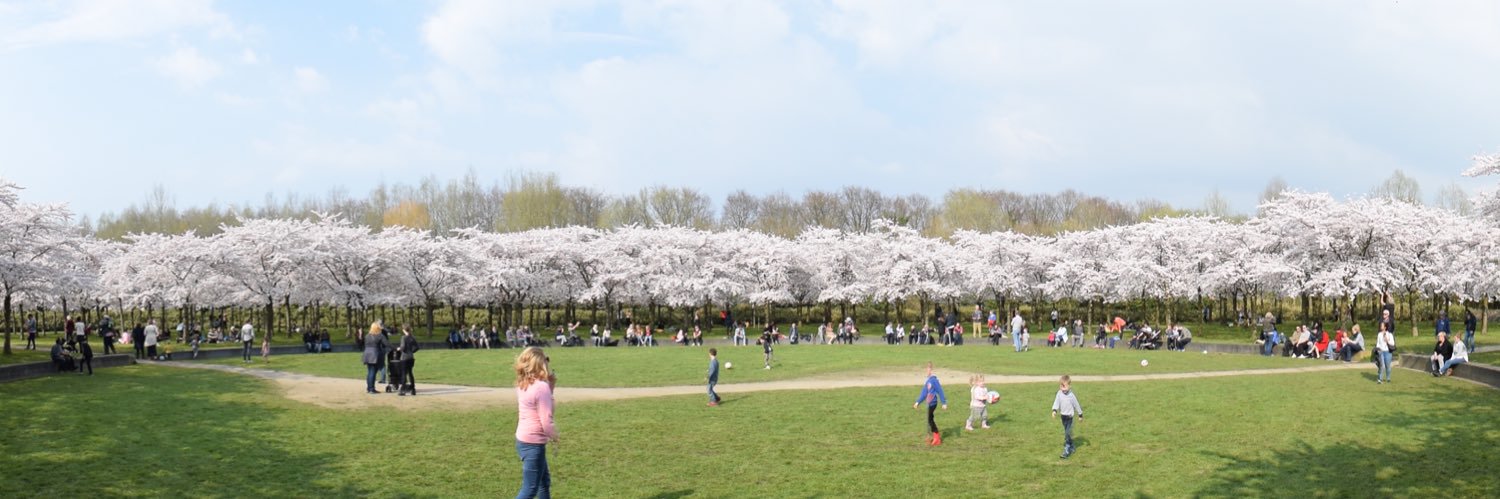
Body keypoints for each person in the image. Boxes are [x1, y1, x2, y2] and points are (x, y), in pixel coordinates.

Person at [514, 347, 558, 499]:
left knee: (543, 482)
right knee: (530, 489)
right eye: (545, 360)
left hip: (523, 441)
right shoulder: (541, 387)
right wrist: (554, 435)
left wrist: (550, 385)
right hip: (534, 443)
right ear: (539, 364)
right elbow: (546, 417)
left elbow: (540, 402)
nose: (547, 363)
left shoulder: (524, 383)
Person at [912, 362, 948, 446]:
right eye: (926, 369)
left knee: (929, 419)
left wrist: (944, 403)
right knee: (929, 419)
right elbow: (924, 393)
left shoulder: (934, 381)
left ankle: (937, 437)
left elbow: (940, 391)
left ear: (932, 370)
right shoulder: (928, 381)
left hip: (933, 403)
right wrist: (918, 402)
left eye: (928, 369)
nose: (927, 371)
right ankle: (934, 436)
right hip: (929, 403)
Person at [1051, 374, 1084, 459]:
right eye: (1061, 386)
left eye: (1064, 386)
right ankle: (1072, 446)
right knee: (1067, 433)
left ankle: (1066, 449)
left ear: (1069, 386)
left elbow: (1076, 405)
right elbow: (1056, 402)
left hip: (1070, 418)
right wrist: (1054, 410)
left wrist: (1080, 415)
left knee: (1067, 433)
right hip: (1063, 417)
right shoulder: (1059, 393)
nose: (1062, 388)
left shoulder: (1071, 395)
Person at [361, 322, 390, 395]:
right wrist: (395, 348)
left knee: (370, 371)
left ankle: (369, 387)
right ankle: (371, 388)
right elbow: (387, 344)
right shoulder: (380, 336)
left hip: (367, 353)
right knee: (373, 372)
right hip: (374, 354)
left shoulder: (367, 336)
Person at [398, 325, 419, 395]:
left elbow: (403, 347)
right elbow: (417, 347)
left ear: (404, 330)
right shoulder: (412, 337)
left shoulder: (403, 338)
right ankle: (413, 388)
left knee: (403, 373)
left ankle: (403, 389)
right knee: (410, 372)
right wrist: (411, 351)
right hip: (411, 357)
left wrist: (399, 349)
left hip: (404, 357)